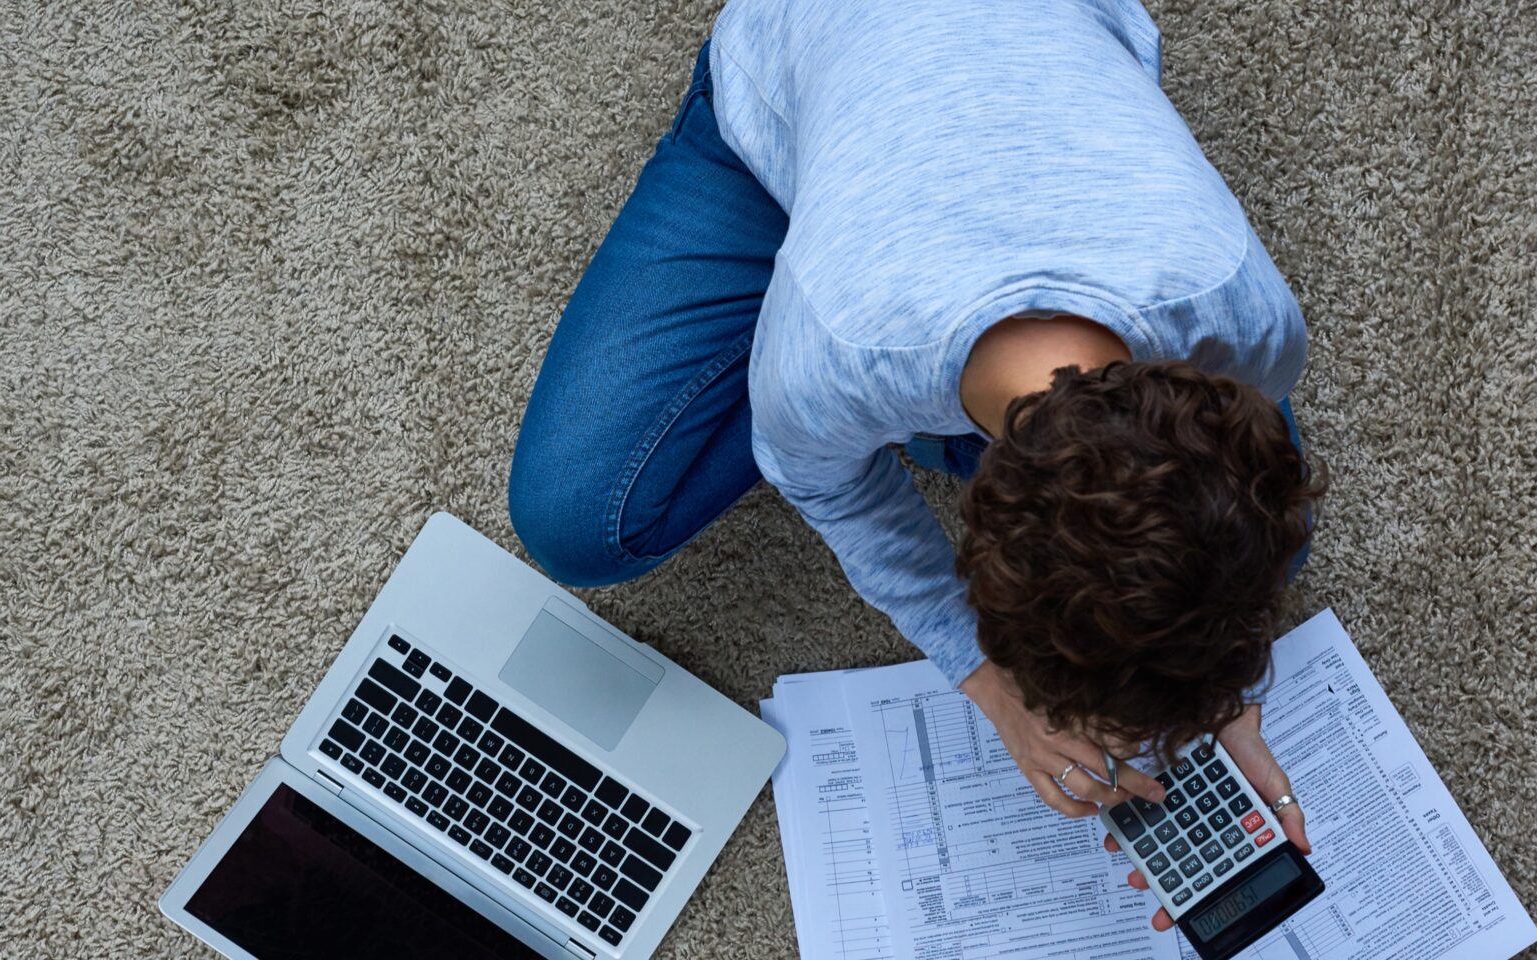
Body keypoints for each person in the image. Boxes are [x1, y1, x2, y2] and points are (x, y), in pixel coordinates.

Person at [505, 0, 1325, 932]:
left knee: (1257, 553)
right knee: (579, 518)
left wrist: (1223, 686)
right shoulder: (838, 355)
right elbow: (821, 478)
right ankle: (810, 269)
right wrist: (987, 675)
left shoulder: (1245, 314)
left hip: (1002, 93)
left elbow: (1229, 507)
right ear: (975, 518)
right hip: (802, 70)